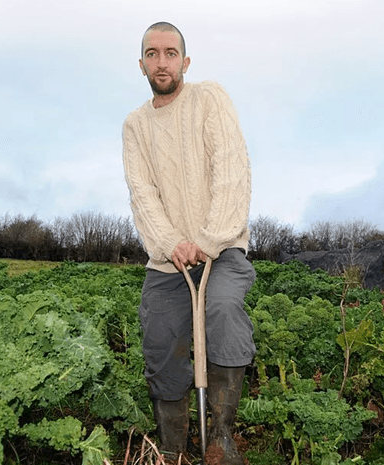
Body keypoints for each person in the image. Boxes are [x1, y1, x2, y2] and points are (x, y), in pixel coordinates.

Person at [121, 21, 256, 465]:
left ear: (185, 61)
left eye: (170, 53)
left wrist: (207, 239)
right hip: (167, 260)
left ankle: (220, 438)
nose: (162, 62)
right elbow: (142, 195)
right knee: (160, 338)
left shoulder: (209, 99)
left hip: (222, 248)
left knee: (221, 311)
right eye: (153, 54)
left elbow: (231, 172)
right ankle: (174, 451)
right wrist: (171, 242)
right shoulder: (136, 126)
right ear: (141, 63)